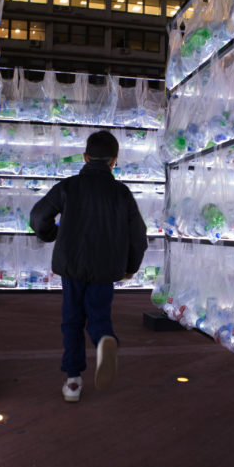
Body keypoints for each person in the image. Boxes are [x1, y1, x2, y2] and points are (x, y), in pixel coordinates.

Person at [30, 130, 148, 403]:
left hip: (72, 264)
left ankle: (73, 381)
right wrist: (130, 267)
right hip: (105, 268)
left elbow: (38, 216)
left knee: (71, 320)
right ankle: (104, 338)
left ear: (85, 157)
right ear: (114, 161)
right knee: (99, 315)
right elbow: (138, 236)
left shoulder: (68, 187)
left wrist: (51, 233)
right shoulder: (122, 193)